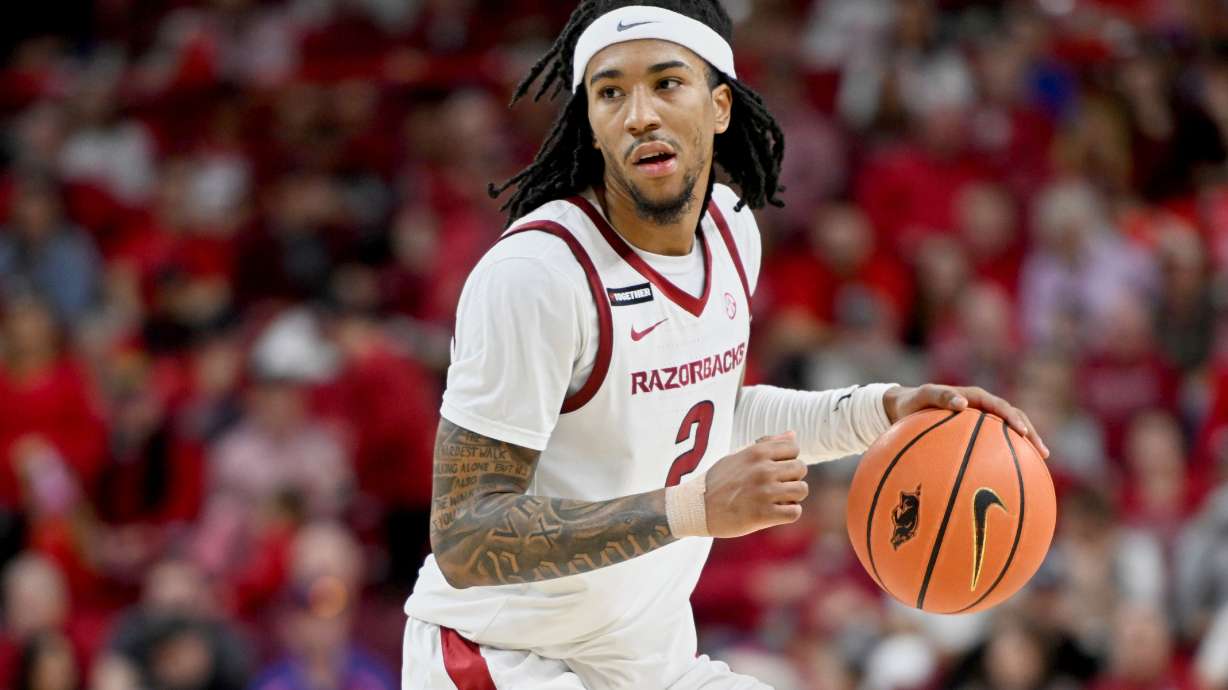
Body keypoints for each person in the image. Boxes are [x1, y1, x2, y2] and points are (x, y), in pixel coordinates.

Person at [401, 2, 1048, 688]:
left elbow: (705, 415)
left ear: (719, 106)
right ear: (589, 122)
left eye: (666, 83)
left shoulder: (731, 232)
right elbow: (467, 534)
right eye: (610, 91)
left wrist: (887, 411)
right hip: (502, 658)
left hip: (646, 662)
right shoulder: (536, 277)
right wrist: (694, 509)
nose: (639, 113)